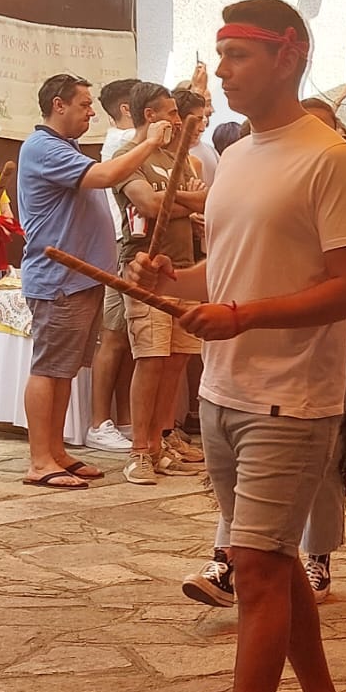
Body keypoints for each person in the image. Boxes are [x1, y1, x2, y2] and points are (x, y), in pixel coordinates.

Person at [134, 0, 346, 692]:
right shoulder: (237, 155)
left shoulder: (331, 159)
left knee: (256, 570)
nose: (222, 70)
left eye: (237, 54)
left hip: (291, 395)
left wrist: (245, 316)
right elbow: (233, 266)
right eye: (220, 54)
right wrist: (185, 278)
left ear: (289, 54)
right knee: (265, 559)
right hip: (224, 389)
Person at [15, 73, 162, 488]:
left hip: (81, 277)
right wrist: (149, 142)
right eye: (83, 105)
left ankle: (56, 451)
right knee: (49, 369)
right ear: (58, 105)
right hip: (60, 276)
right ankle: (40, 460)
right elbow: (104, 177)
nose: (91, 112)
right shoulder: (43, 147)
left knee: (64, 370)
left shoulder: (66, 148)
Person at [114, 82, 208, 484]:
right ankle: (138, 451)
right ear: (149, 116)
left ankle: (159, 440)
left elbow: (207, 199)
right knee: (150, 359)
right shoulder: (128, 157)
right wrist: (184, 201)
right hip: (145, 267)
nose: (178, 119)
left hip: (184, 268)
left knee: (176, 359)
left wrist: (179, 201)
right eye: (171, 112)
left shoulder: (182, 157)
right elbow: (149, 204)